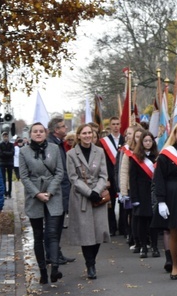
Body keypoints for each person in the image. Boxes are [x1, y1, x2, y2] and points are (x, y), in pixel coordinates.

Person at [19, 123, 64, 285]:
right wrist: (37, 193)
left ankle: (55, 269)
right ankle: (43, 271)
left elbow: (60, 172)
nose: (38, 134)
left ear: (45, 133)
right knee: (38, 235)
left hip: (53, 195)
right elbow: (23, 176)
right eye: (35, 131)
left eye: (41, 131)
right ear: (30, 134)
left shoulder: (54, 149)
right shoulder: (24, 152)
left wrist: (50, 192)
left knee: (52, 233)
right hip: (34, 196)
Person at [67, 123, 111, 279]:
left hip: (98, 195)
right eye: (84, 133)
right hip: (81, 197)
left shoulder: (99, 152)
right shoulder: (71, 154)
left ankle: (92, 259)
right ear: (78, 135)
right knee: (86, 234)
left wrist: (96, 191)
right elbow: (73, 178)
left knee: (99, 231)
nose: (87, 136)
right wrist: (88, 192)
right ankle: (90, 264)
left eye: (90, 133)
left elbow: (103, 175)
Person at [152, 122, 177, 280]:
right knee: (175, 231)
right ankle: (175, 265)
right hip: (173, 196)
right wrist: (161, 200)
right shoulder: (166, 154)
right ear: (175, 134)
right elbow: (159, 179)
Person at [46, 117, 75, 265]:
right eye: (63, 127)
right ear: (56, 130)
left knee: (58, 225)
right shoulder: (51, 144)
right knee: (54, 226)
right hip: (56, 191)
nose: (66, 128)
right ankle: (52, 255)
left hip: (62, 189)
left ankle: (57, 253)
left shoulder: (58, 143)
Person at [128, 131, 160, 258]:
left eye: (150, 141)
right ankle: (143, 246)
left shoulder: (157, 157)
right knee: (142, 221)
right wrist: (134, 197)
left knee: (153, 222)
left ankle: (155, 246)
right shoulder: (135, 158)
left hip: (153, 193)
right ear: (141, 142)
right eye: (145, 141)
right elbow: (132, 179)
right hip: (141, 193)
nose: (147, 143)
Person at [118, 126, 143, 250]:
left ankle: (145, 239)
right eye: (136, 136)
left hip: (144, 188)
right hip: (130, 188)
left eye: (140, 136)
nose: (138, 139)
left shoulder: (148, 150)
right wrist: (123, 191)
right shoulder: (129, 151)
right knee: (133, 215)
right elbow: (123, 172)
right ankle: (134, 239)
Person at [100, 117, 124, 236]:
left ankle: (123, 227)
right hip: (109, 177)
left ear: (120, 125)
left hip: (122, 177)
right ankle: (112, 227)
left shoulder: (125, 140)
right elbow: (102, 161)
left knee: (123, 203)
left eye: (117, 124)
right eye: (113, 124)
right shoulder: (104, 142)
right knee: (110, 204)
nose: (115, 126)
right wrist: (105, 179)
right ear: (110, 125)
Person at [0, 131, 14, 197]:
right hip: (2, 163)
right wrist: (7, 153)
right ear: (2, 137)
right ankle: (5, 192)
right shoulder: (0, 145)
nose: (5, 137)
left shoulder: (11, 145)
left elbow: (12, 153)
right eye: (4, 136)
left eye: (6, 136)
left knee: (10, 178)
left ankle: (10, 192)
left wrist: (4, 153)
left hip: (10, 163)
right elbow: (0, 154)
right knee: (3, 179)